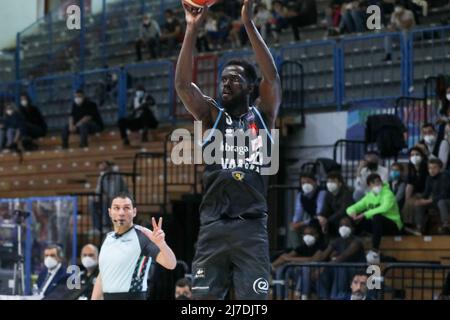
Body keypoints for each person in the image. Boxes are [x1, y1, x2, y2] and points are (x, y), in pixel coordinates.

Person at [175, 0, 281, 300]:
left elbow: (271, 77)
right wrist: (191, 29)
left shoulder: (264, 114)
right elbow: (183, 85)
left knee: (253, 304)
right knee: (203, 304)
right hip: (213, 226)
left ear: (250, 88)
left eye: (235, 79)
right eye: (223, 78)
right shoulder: (210, 116)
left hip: (251, 228)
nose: (226, 83)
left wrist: (247, 22)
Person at [91, 192, 176, 300]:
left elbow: (171, 264)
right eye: (116, 208)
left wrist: (162, 244)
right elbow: (102, 276)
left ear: (134, 212)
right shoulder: (108, 238)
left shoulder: (143, 236)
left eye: (126, 208)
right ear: (110, 212)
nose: (121, 213)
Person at [347, 173, 403, 264]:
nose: (377, 184)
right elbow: (351, 208)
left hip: (393, 225)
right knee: (355, 219)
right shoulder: (369, 196)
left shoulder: (388, 193)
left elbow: (384, 208)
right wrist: (352, 212)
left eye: (378, 182)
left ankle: (375, 251)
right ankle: (352, 243)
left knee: (376, 216)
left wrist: (365, 214)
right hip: (377, 227)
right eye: (374, 183)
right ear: (369, 186)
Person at [271, 221, 327, 300]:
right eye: (305, 234)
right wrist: (270, 267)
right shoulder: (302, 247)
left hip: (317, 273)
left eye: (310, 234)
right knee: (283, 268)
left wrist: (290, 260)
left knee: (305, 267)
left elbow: (313, 259)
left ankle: (303, 295)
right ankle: (281, 296)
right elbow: (284, 257)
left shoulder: (322, 246)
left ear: (316, 235)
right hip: (300, 273)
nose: (307, 236)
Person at [315, 216, 366, 299]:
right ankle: (324, 297)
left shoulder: (357, 241)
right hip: (340, 268)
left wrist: (325, 266)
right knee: (315, 268)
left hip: (357, 270)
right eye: (341, 225)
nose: (343, 228)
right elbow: (324, 256)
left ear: (352, 228)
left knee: (340, 267)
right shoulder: (336, 241)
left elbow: (343, 257)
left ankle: (335, 297)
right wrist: (317, 265)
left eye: (347, 225)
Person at [89, 160, 129, 233]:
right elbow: (98, 191)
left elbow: (116, 192)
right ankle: (96, 227)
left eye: (104, 169)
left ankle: (106, 226)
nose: (103, 171)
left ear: (109, 168)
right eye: (101, 170)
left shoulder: (117, 176)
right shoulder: (102, 176)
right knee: (92, 201)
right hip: (107, 199)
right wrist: (96, 197)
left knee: (105, 201)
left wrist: (106, 197)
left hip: (120, 199)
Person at [414, 158, 450, 235]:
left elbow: (444, 195)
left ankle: (446, 225)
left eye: (434, 168)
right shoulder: (429, 178)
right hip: (435, 201)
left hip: (447, 201)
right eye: (429, 168)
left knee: (441, 202)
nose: (431, 170)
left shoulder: (445, 176)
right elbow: (426, 193)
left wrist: (427, 201)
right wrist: (419, 200)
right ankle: (419, 227)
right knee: (419, 204)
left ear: (440, 168)